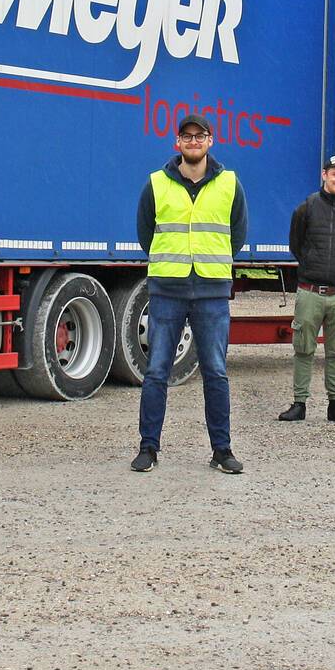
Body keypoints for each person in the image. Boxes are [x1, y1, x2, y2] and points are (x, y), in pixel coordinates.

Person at [131, 114, 248, 475]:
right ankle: (148, 448)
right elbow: (146, 234)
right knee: (156, 372)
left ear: (211, 141)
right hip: (168, 289)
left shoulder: (229, 184)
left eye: (200, 136)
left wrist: (210, 266)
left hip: (211, 291)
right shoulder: (156, 183)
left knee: (215, 372)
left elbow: (237, 234)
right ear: (177, 142)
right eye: (187, 136)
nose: (194, 141)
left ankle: (222, 450)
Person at [280, 154, 335, 425]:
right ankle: (299, 403)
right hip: (310, 291)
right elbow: (296, 244)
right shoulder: (306, 208)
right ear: (324, 175)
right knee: (304, 348)